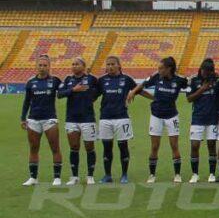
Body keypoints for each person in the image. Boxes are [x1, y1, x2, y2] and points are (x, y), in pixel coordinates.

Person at [129, 56, 188, 183]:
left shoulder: (179, 80)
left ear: (169, 69)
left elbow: (190, 82)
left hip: (172, 116)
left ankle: (177, 174)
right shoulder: (156, 77)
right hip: (156, 115)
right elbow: (142, 85)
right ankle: (152, 175)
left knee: (174, 145)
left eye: (161, 68)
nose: (159, 70)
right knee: (155, 146)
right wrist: (133, 92)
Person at [21, 55, 63, 186]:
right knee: (33, 148)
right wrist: (23, 118)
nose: (42, 68)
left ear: (49, 67)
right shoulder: (30, 82)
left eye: (45, 65)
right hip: (33, 119)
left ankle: (57, 178)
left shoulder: (55, 80)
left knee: (55, 147)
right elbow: (26, 101)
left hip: (49, 119)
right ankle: (33, 178)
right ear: (36, 66)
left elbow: (64, 93)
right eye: (40, 65)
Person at [58, 57, 99, 185]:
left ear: (84, 66)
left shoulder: (92, 79)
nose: (74, 66)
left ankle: (90, 176)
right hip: (72, 118)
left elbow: (99, 91)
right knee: (74, 147)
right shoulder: (68, 80)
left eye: (77, 64)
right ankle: (74, 176)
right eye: (73, 64)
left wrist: (92, 97)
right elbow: (59, 94)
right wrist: (72, 90)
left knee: (89, 147)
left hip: (88, 118)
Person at [96, 56, 136, 184]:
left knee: (123, 146)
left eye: (112, 64)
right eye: (107, 64)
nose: (110, 67)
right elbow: (93, 95)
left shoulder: (126, 79)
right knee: (107, 147)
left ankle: (124, 174)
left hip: (122, 118)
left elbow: (138, 89)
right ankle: (107, 175)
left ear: (119, 65)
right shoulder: (101, 80)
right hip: (105, 118)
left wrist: (134, 92)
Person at [186, 58, 219, 183]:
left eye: (208, 72)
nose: (205, 73)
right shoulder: (194, 80)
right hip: (198, 118)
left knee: (211, 145)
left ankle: (212, 173)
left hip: (213, 118)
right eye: (204, 71)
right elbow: (189, 98)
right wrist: (202, 89)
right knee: (195, 145)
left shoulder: (216, 80)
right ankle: (195, 174)